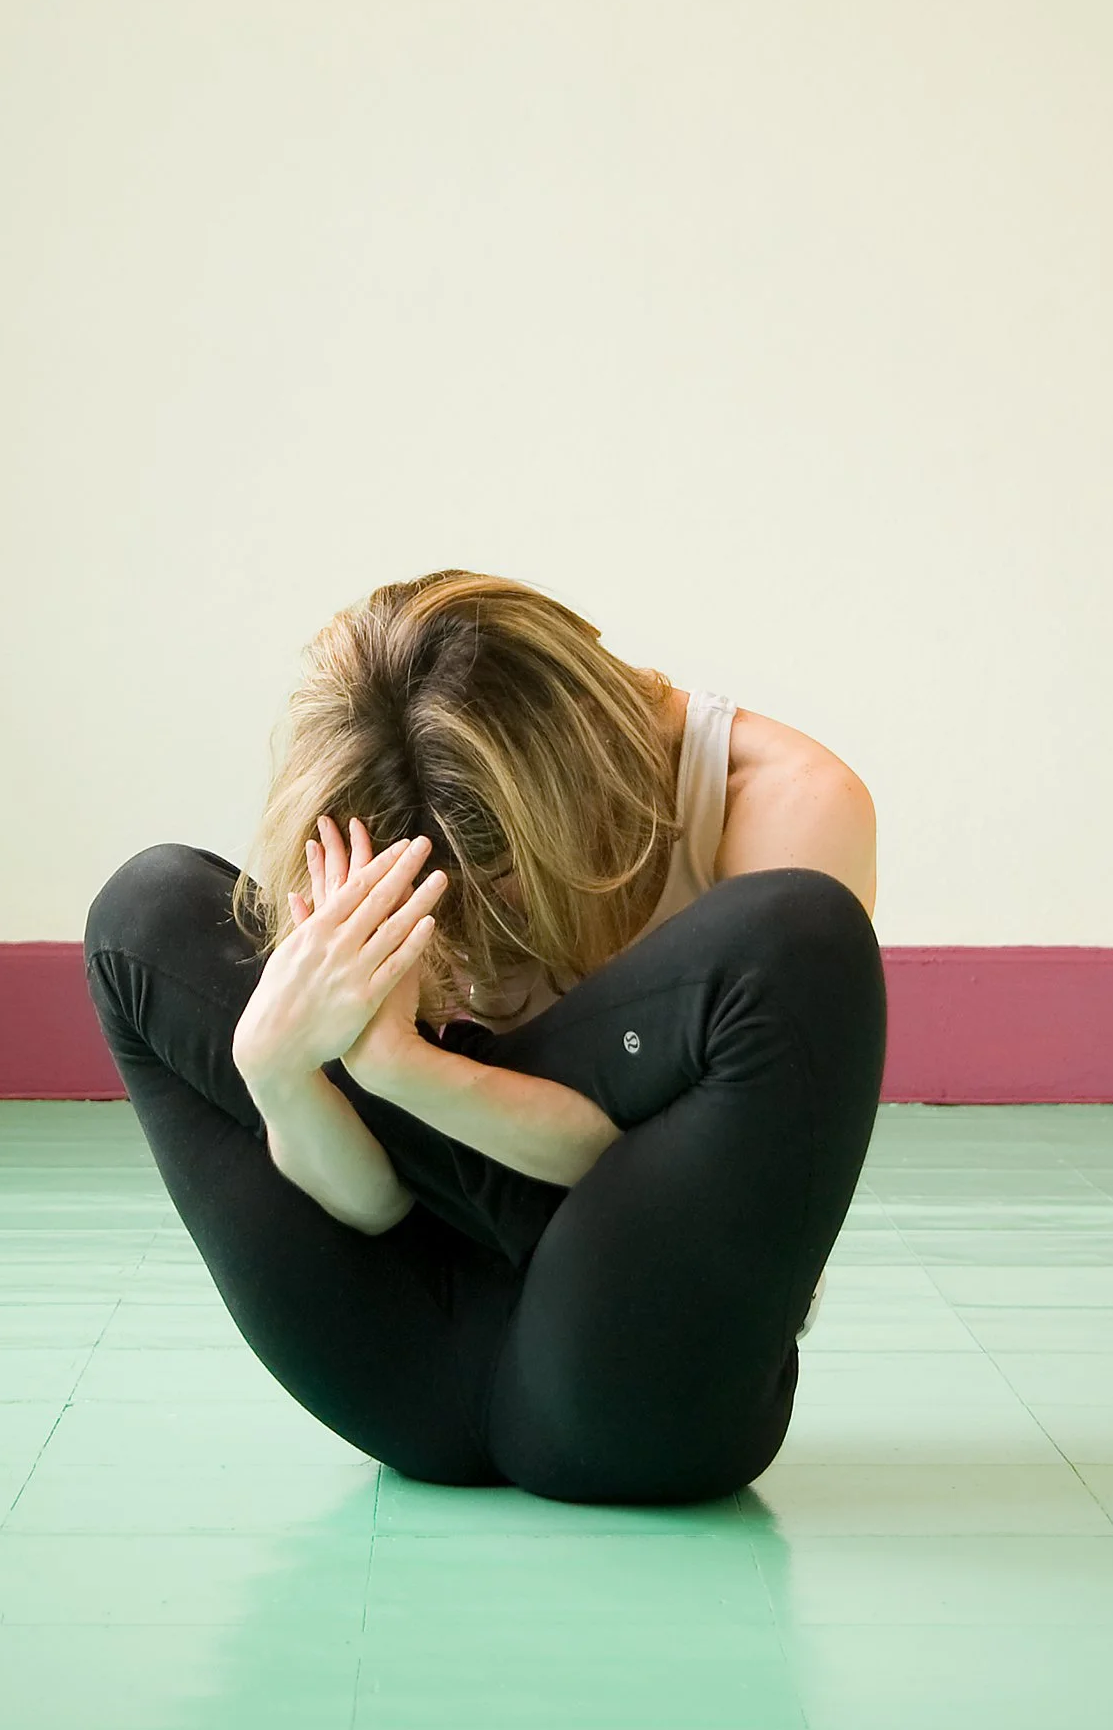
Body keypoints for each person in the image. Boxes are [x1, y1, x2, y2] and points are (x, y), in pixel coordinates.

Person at [83, 569, 885, 1506]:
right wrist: (278, 1069)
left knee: (798, 932)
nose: (477, 957)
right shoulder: (412, 810)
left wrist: (400, 1065)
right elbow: (376, 1213)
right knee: (146, 913)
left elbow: (662, 1174)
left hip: (634, 1371)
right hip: (416, 1367)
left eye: (501, 887)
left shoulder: (785, 801)